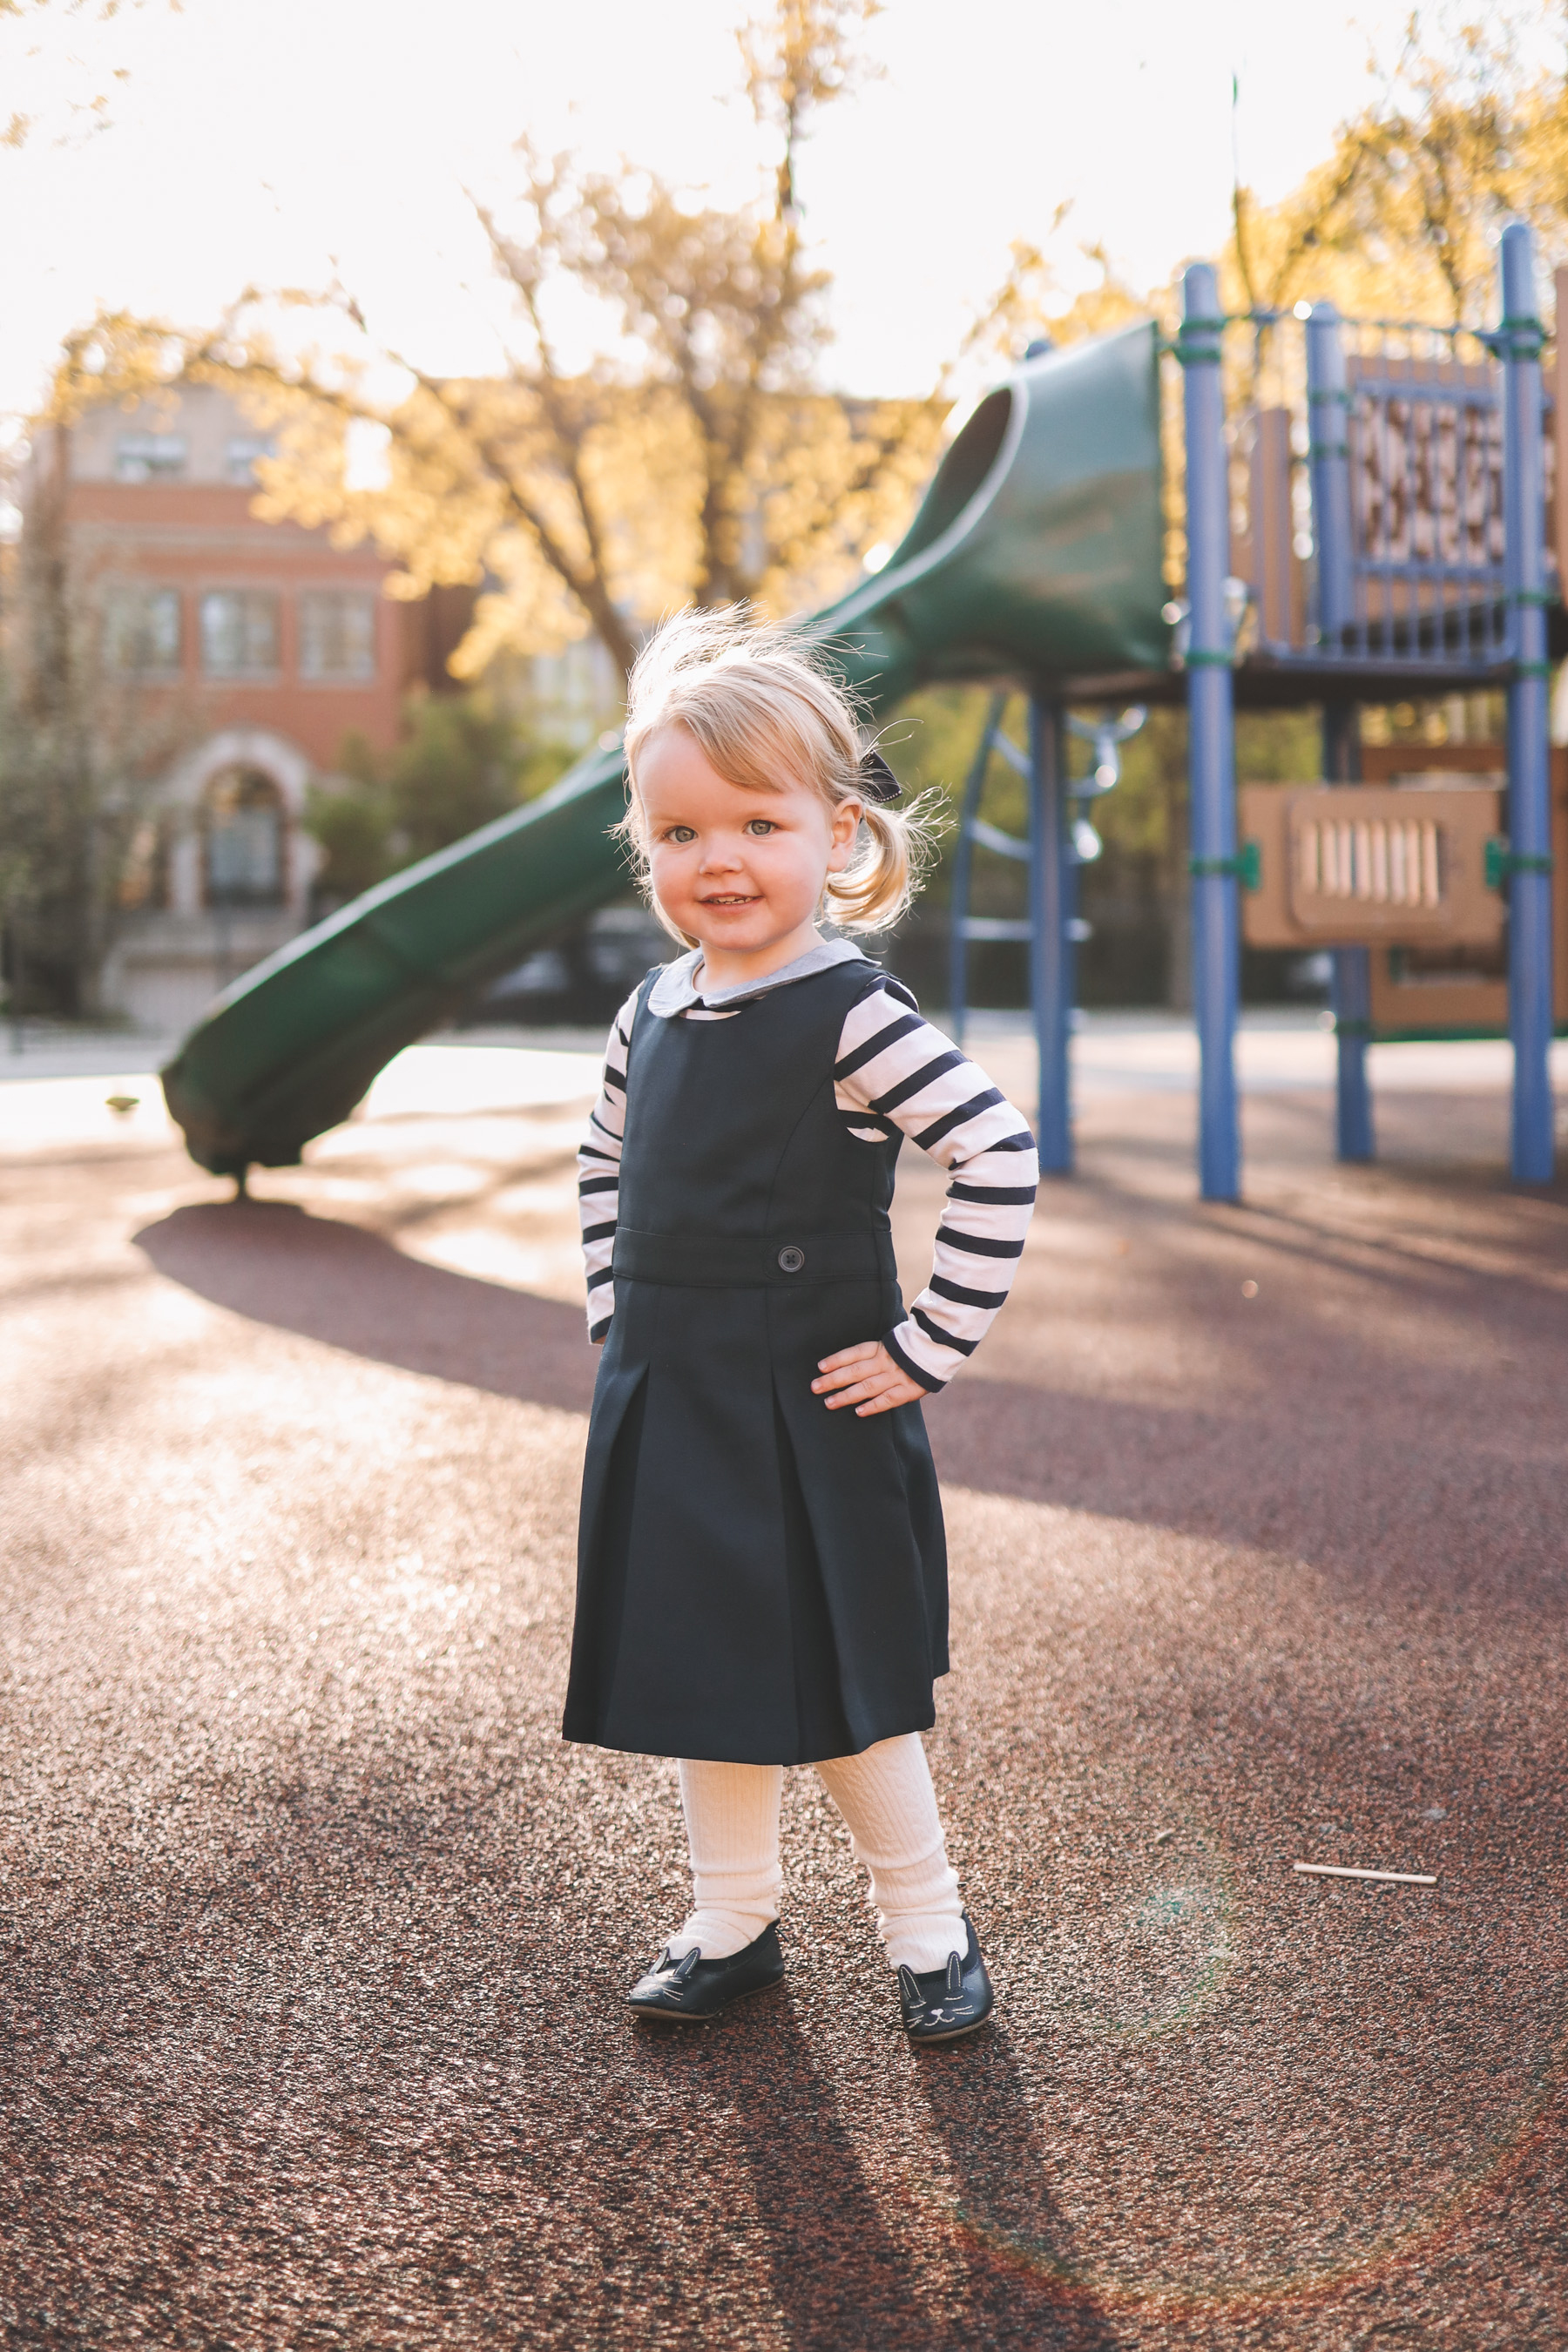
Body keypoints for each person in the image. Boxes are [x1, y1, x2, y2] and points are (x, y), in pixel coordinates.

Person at [565, 609, 1037, 2044]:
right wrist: (615, 1315)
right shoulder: (650, 1010)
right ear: (645, 843)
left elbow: (998, 1155)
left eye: (757, 824)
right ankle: (733, 1921)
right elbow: (603, 1161)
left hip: (816, 1401)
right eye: (680, 831)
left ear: (837, 837)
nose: (718, 860)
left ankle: (928, 1924)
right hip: (674, 1388)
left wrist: (923, 1348)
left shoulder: (849, 1012)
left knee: (848, 1686)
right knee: (707, 1672)